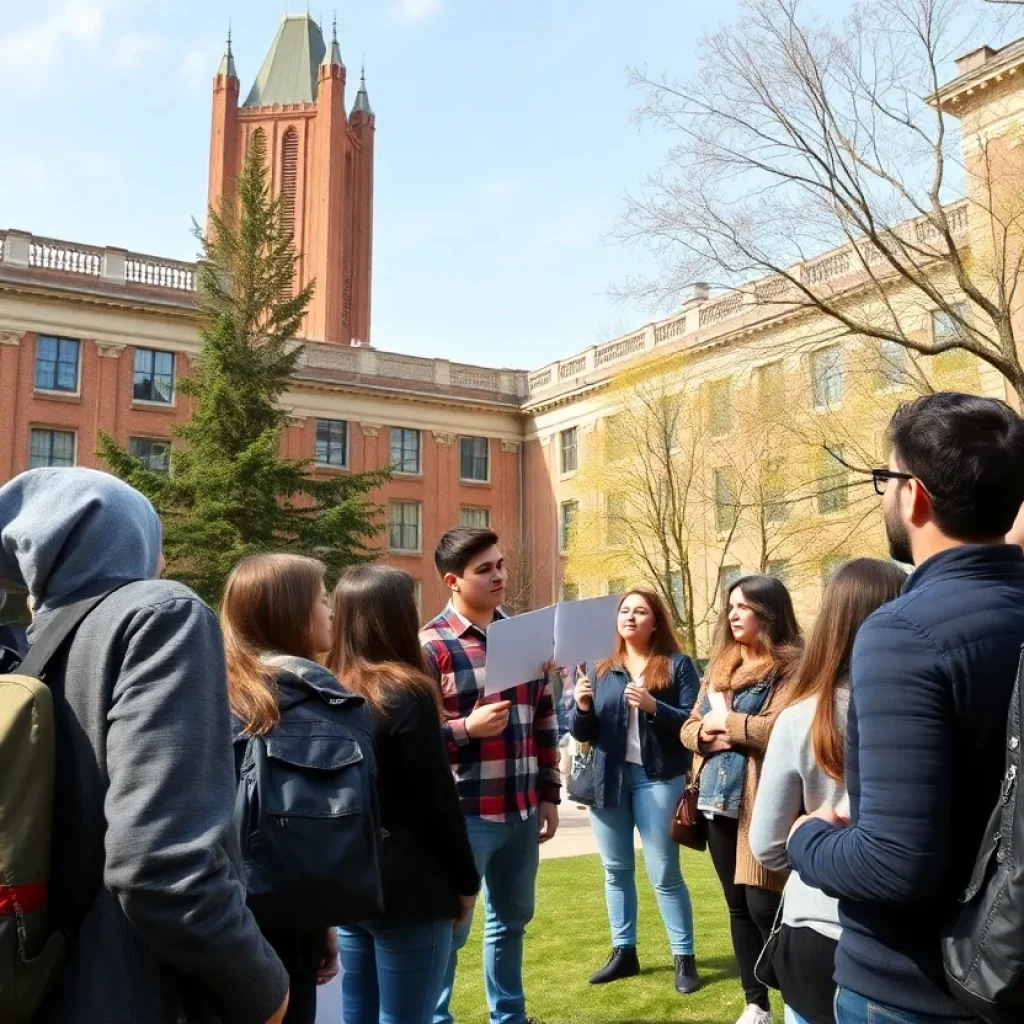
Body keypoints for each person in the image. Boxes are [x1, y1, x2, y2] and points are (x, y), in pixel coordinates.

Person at [0, 468, 289, 1024]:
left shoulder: (30, 650)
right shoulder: (160, 615)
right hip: (136, 991)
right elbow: (162, 870)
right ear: (128, 535)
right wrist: (266, 989)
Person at [788, 393, 1024, 1024]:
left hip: (916, 987)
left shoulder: (904, 633)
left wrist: (807, 837)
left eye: (883, 480)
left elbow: (892, 867)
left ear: (913, 495)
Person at [749, 559, 907, 1024]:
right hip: (901, 934)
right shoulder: (929, 706)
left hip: (819, 928)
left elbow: (767, 846)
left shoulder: (802, 717)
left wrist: (814, 835)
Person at [326, 565, 481, 1024]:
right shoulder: (405, 692)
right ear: (393, 617)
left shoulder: (327, 686)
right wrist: (467, 881)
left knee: (360, 1015)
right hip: (410, 885)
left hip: (350, 880)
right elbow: (437, 800)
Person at [419, 527, 561, 1024]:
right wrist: (464, 728)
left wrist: (549, 793)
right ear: (453, 581)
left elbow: (545, 718)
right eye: (486, 569)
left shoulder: (523, 636)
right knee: (450, 930)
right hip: (464, 814)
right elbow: (410, 739)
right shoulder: (430, 646)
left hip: (522, 809)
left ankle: (510, 1017)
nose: (499, 575)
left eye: (500, 564)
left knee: (512, 923)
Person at [221, 553, 345, 1024]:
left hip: (228, 919)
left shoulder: (215, 692)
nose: (331, 610)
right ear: (292, 615)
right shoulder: (307, 701)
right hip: (275, 925)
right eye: (321, 599)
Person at [681, 574, 802, 1024]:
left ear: (768, 613)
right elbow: (689, 727)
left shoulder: (791, 666)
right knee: (736, 905)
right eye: (731, 606)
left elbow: (778, 729)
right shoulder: (720, 667)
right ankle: (756, 1003)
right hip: (716, 799)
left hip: (762, 801)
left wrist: (726, 722)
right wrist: (705, 736)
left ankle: (795, 997)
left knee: (764, 905)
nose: (733, 614)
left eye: (744, 606)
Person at [568, 589, 702, 995]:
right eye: (624, 611)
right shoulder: (598, 666)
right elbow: (580, 733)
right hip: (608, 778)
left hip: (658, 778)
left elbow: (693, 724)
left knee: (664, 872)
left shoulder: (678, 666)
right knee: (615, 870)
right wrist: (582, 707)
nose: (629, 617)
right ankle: (624, 952)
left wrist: (653, 707)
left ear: (655, 621)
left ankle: (684, 957)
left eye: (640, 611)